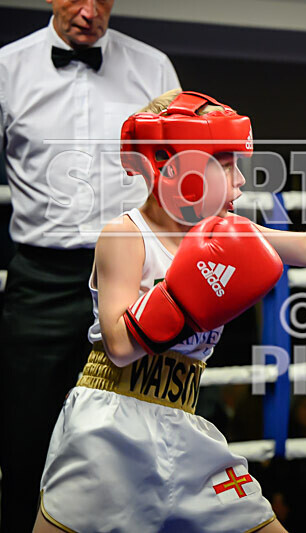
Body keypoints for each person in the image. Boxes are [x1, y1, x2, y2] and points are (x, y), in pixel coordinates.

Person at [32, 89, 306, 532]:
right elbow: (120, 345)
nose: (240, 181)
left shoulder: (233, 233)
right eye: (226, 165)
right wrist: (183, 295)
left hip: (182, 423)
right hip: (109, 422)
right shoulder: (125, 235)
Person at [0, 2, 180, 529]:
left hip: (134, 272)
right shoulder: (8, 68)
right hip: (42, 280)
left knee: (141, 435)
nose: (88, 11)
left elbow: (180, 173)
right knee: (27, 438)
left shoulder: (153, 67)